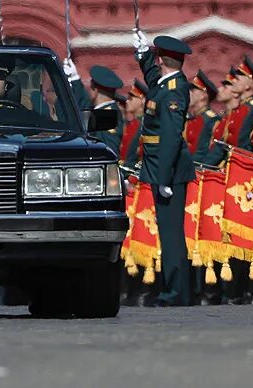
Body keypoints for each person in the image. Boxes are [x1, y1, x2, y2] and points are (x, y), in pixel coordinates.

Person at [132, 30, 195, 307]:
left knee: (171, 234)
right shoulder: (164, 82)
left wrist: (165, 176)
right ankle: (173, 288)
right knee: (167, 231)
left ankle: (176, 292)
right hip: (159, 165)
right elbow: (151, 78)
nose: (155, 62)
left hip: (167, 168)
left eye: (157, 56)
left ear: (164, 59)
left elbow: (170, 136)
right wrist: (143, 55)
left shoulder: (175, 90)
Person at [65, 62, 125, 155]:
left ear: (95, 89)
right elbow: (84, 105)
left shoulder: (107, 116)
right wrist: (74, 78)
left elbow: (109, 151)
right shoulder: (104, 110)